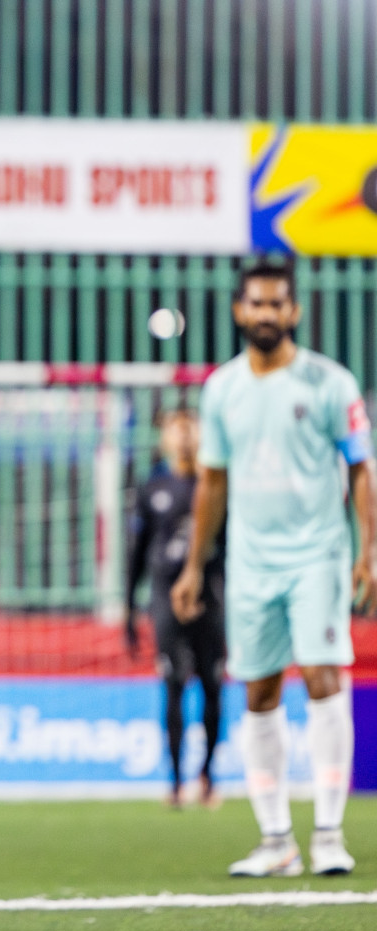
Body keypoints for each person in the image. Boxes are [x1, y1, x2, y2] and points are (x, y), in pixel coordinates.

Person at [172, 261, 376, 877]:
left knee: (321, 675)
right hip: (251, 563)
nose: (265, 314)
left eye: (276, 304)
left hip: (318, 554)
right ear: (239, 310)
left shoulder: (329, 383)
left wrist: (368, 549)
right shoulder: (222, 389)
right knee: (258, 690)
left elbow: (361, 469)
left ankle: (330, 835)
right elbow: (212, 482)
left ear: (294, 312)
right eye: (255, 304)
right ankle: (277, 840)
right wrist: (192, 567)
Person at [125, 410, 226, 808]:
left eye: (191, 427)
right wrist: (128, 607)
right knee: (173, 683)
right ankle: (175, 780)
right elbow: (136, 553)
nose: (184, 436)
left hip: (210, 597)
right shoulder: (153, 488)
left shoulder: (214, 484)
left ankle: (208, 775)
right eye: (175, 428)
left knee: (213, 686)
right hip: (165, 597)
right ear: (164, 438)